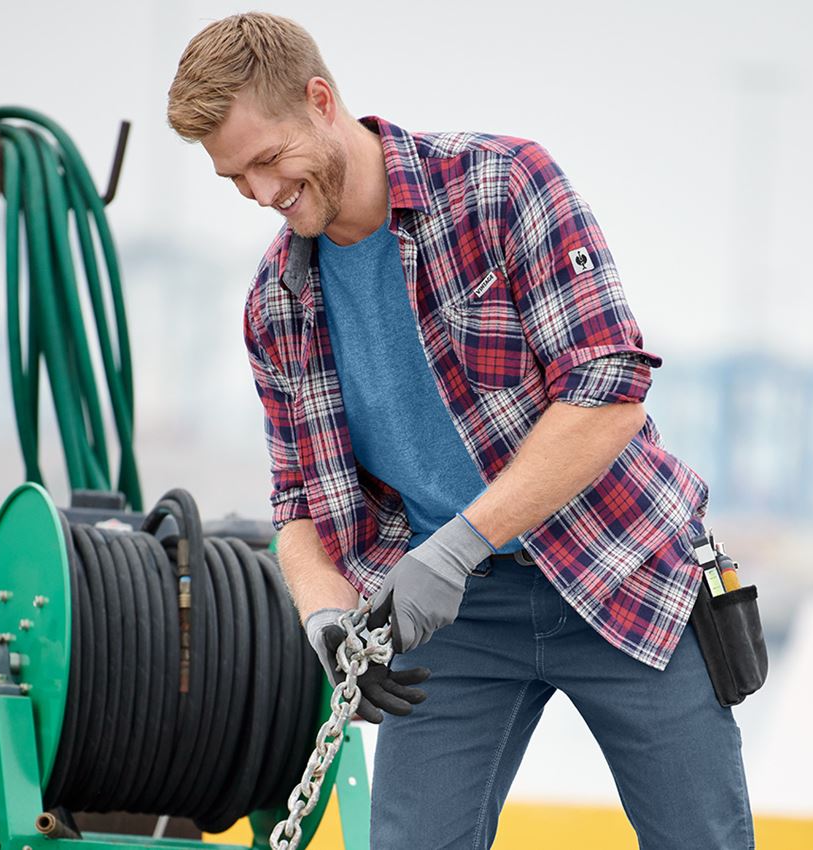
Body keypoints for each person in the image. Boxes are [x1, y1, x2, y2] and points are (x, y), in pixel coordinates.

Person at [168, 12, 754, 850]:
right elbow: (296, 502)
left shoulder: (502, 185)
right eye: (236, 179)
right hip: (454, 619)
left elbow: (608, 393)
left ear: (320, 101)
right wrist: (326, 618)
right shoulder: (274, 304)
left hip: (621, 569)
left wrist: (457, 545)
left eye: (268, 160)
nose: (263, 194)